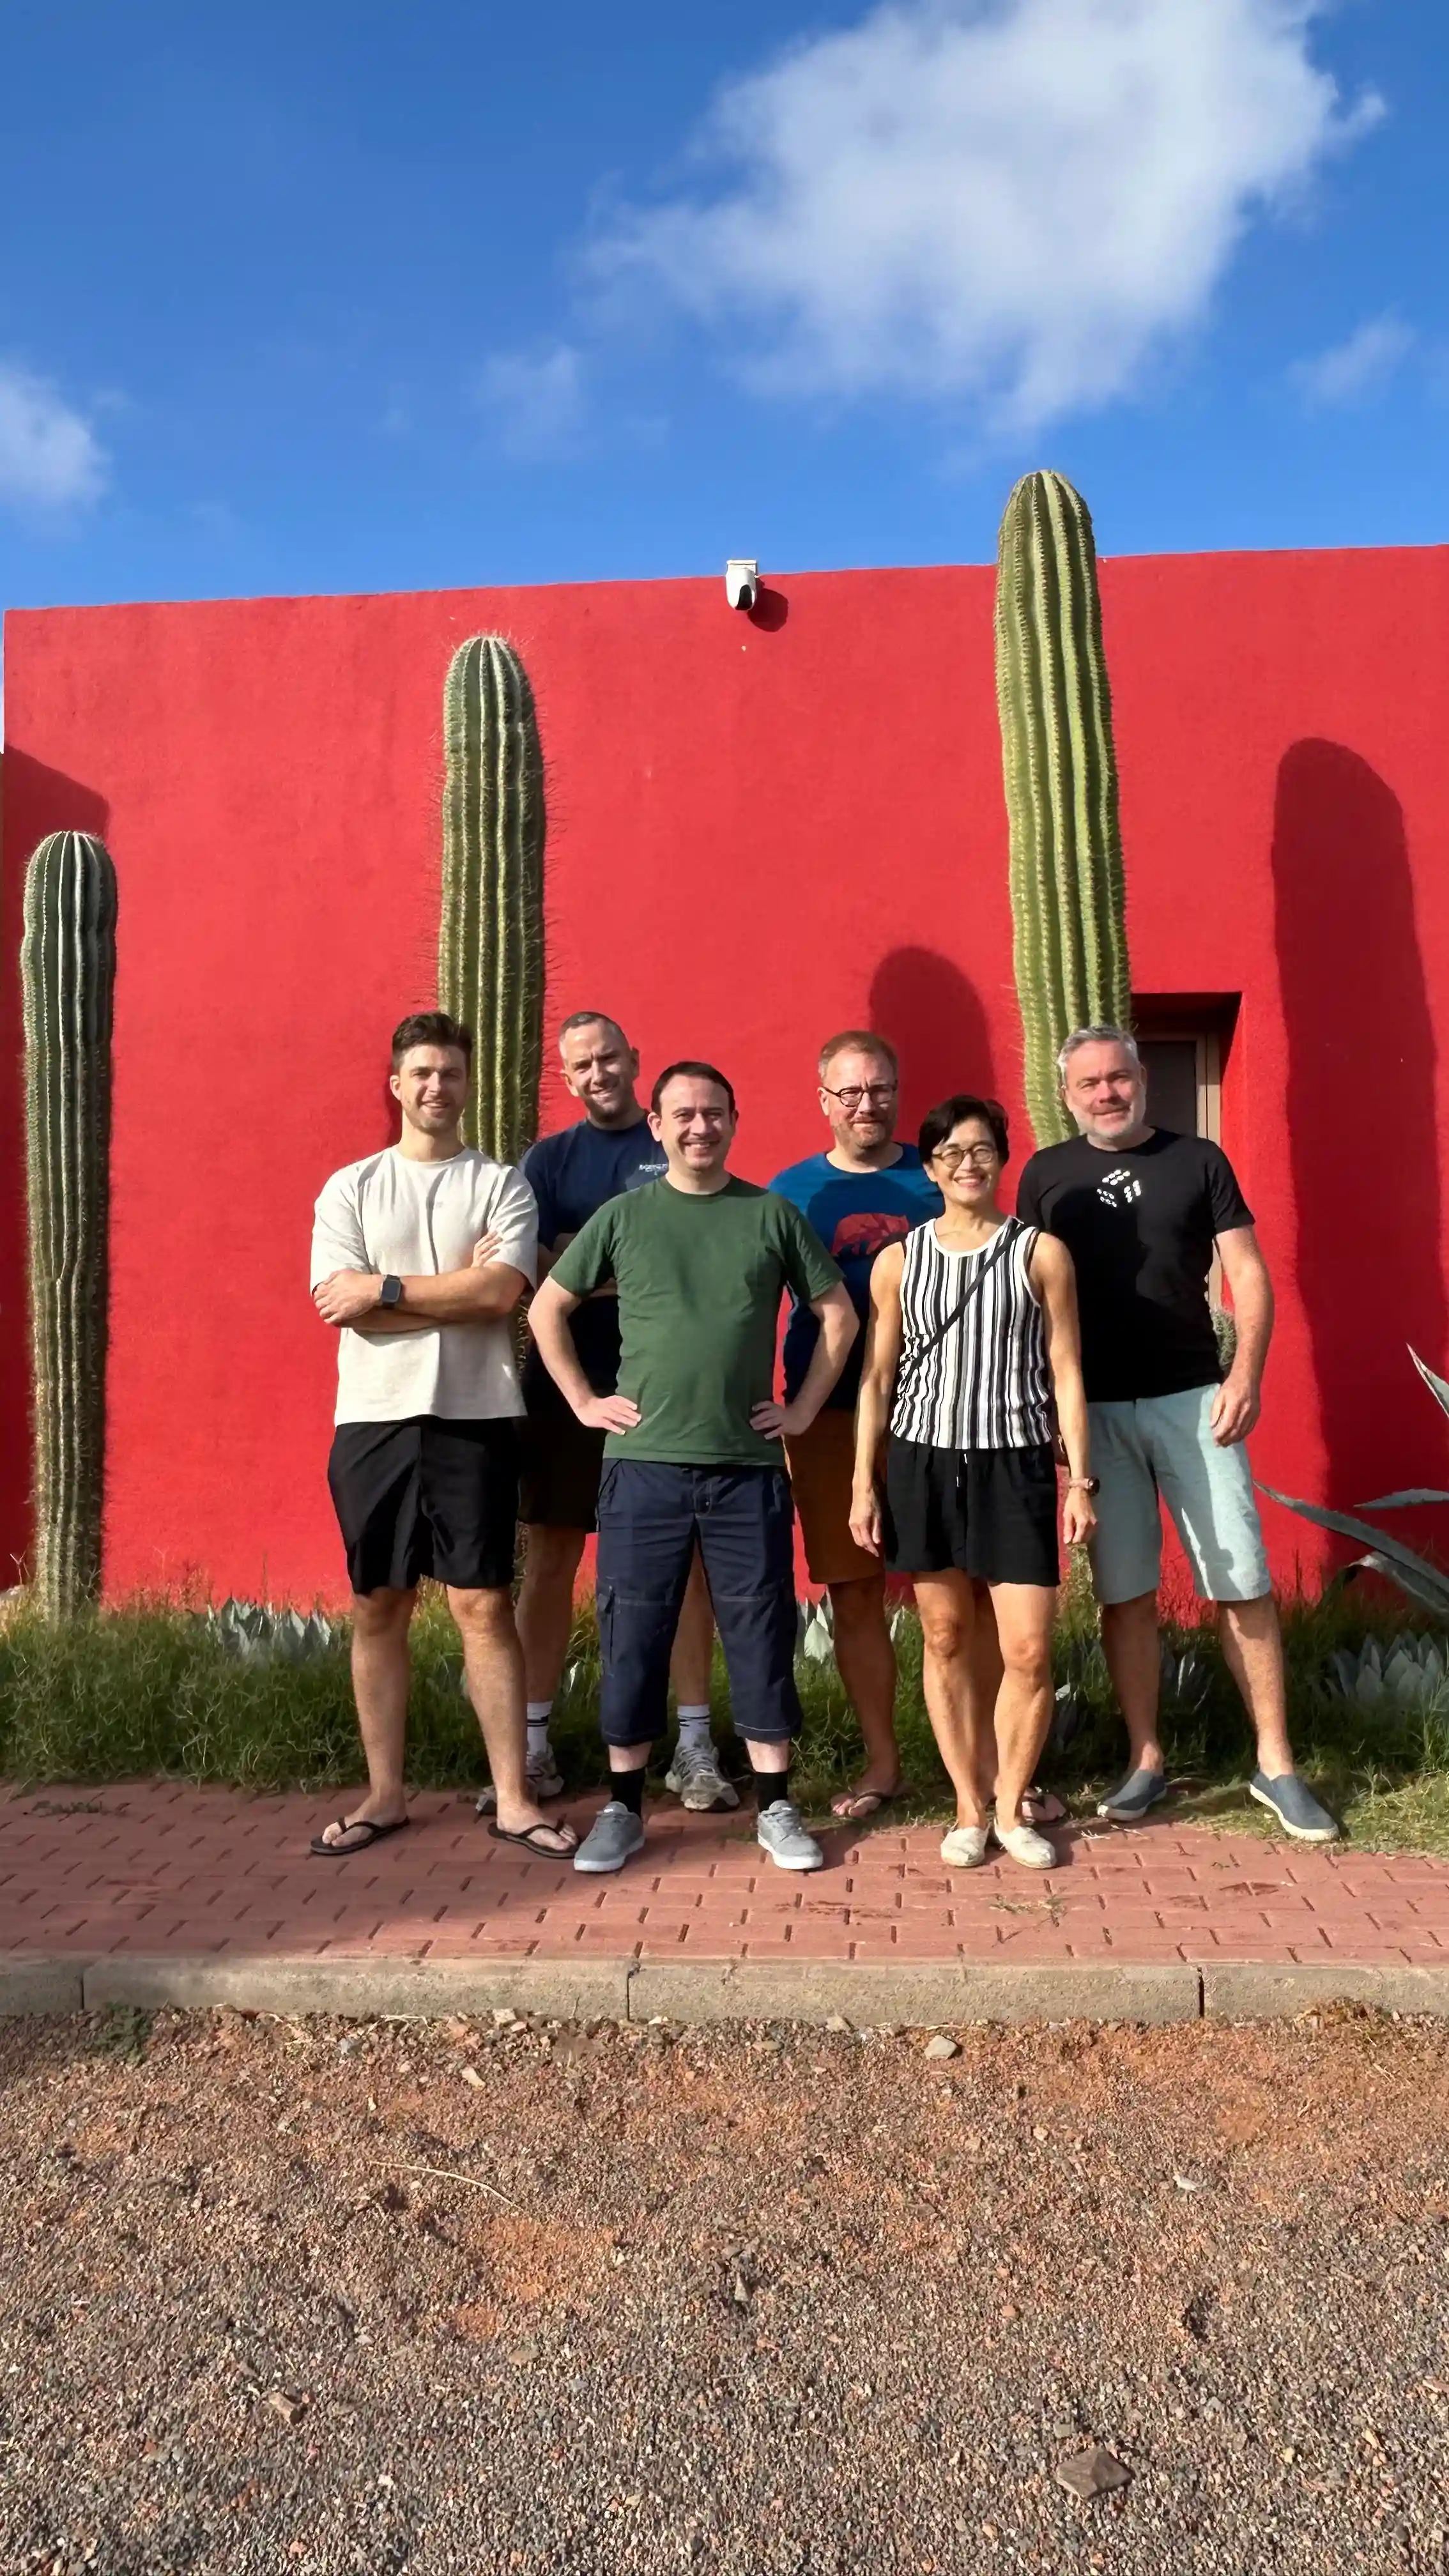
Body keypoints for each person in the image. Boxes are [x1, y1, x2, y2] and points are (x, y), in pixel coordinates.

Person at [528, 1061, 858, 1875]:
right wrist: (583, 1401)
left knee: (760, 1630)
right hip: (642, 1465)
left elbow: (838, 1315)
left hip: (746, 1467)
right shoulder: (623, 1216)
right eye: (683, 1114)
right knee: (632, 1632)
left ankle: (776, 1807)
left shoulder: (770, 1214)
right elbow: (546, 1308)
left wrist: (802, 1410)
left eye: (714, 1113)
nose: (699, 1127)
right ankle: (623, 1808)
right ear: (658, 1126)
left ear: (734, 1121)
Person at [1015, 1025, 1338, 1843]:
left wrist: (1246, 1374)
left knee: (1241, 1579)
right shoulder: (1045, 1175)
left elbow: (1248, 1270)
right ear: (1066, 1095)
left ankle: (1276, 1764)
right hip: (1095, 1414)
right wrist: (1049, 1414)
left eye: (1119, 1078)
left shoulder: (1199, 1160)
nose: (1107, 1093)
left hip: (1194, 1401)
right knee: (1124, 1593)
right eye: (1090, 1083)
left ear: (1142, 1079)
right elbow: (1025, 1297)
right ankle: (1146, 1759)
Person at [308, 1011, 576, 1860]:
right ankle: (384, 1795)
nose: (436, 1086)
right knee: (378, 1603)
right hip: (373, 1421)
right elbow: (339, 1304)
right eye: (421, 1073)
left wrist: (386, 1289)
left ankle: (514, 1799)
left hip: (475, 1418)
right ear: (396, 1084)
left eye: (450, 1073)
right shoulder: (350, 1188)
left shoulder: (501, 1186)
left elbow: (499, 1295)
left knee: (483, 1604)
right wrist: (449, 1289)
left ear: (467, 1083)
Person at [850, 1094, 1095, 1870]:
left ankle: (1014, 1806)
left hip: (1014, 1462)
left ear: (1001, 1158)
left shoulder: (1040, 1254)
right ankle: (968, 1806)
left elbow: (1066, 1369)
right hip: (923, 1461)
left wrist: (1080, 1480)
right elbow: (877, 1377)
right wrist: (863, 1483)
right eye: (951, 1152)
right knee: (946, 1636)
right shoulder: (900, 1261)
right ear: (929, 1167)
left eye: (982, 1149)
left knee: (1028, 1647)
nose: (968, 1164)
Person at [495, 1010, 726, 1814]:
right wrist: (627, 1268)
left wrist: (583, 1258)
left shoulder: (671, 1140)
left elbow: (695, 1252)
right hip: (565, 1386)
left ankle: (693, 1746)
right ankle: (532, 1746)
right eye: (581, 1066)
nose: (598, 1074)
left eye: (609, 1059)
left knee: (685, 1561)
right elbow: (533, 1270)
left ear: (634, 1060)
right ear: (567, 1078)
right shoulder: (548, 1161)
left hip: (666, 1389)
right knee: (551, 1556)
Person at [769, 1031, 942, 1819]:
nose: (866, 1104)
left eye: (880, 1089)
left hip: (937, 1412)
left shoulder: (938, 1178)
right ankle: (883, 1765)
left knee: (956, 1593)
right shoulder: (791, 1193)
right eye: (850, 1092)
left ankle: (984, 1761)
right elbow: (750, 1301)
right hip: (828, 1413)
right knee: (855, 1592)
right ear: (824, 1101)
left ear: (897, 1093)